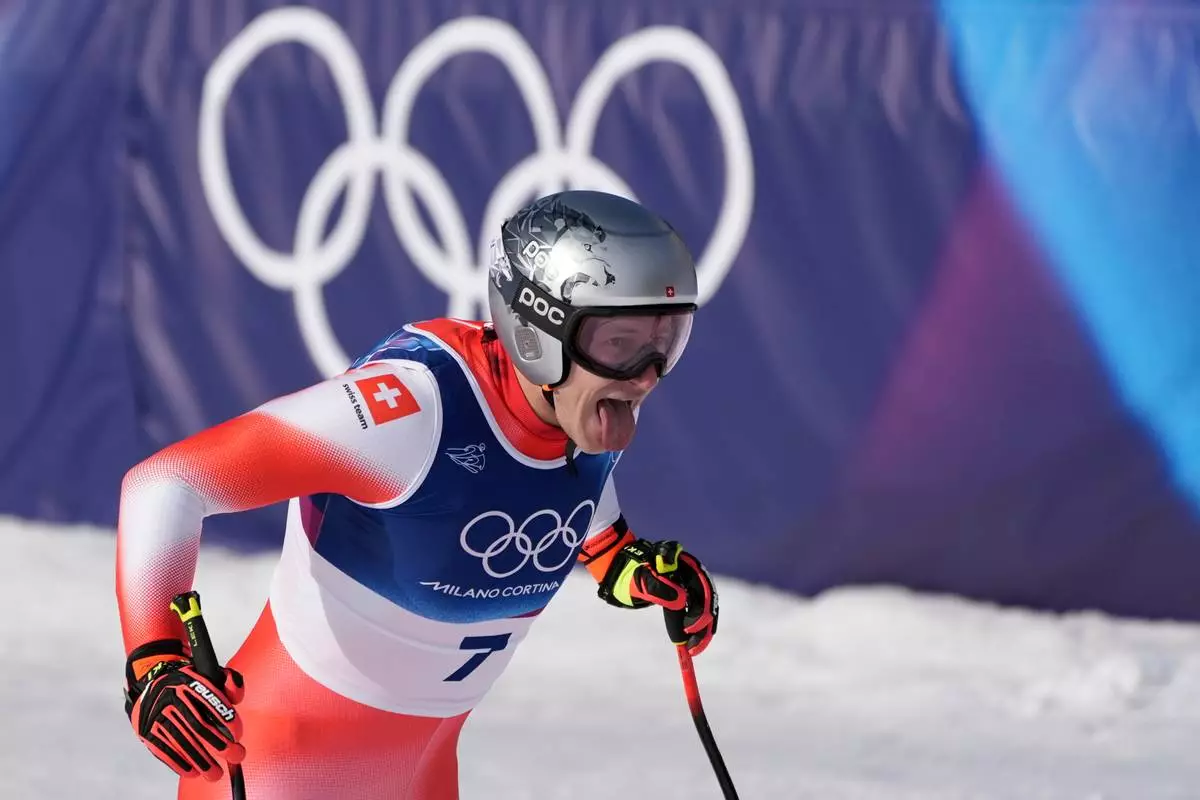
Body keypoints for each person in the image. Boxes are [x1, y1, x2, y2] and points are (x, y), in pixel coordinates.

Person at [117, 190, 721, 799]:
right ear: (539, 332)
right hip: (280, 773)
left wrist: (625, 565)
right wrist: (154, 661)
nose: (646, 373)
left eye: (665, 341)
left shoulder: (583, 407)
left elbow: (569, 503)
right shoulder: (412, 410)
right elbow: (167, 484)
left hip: (424, 774)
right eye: (621, 342)